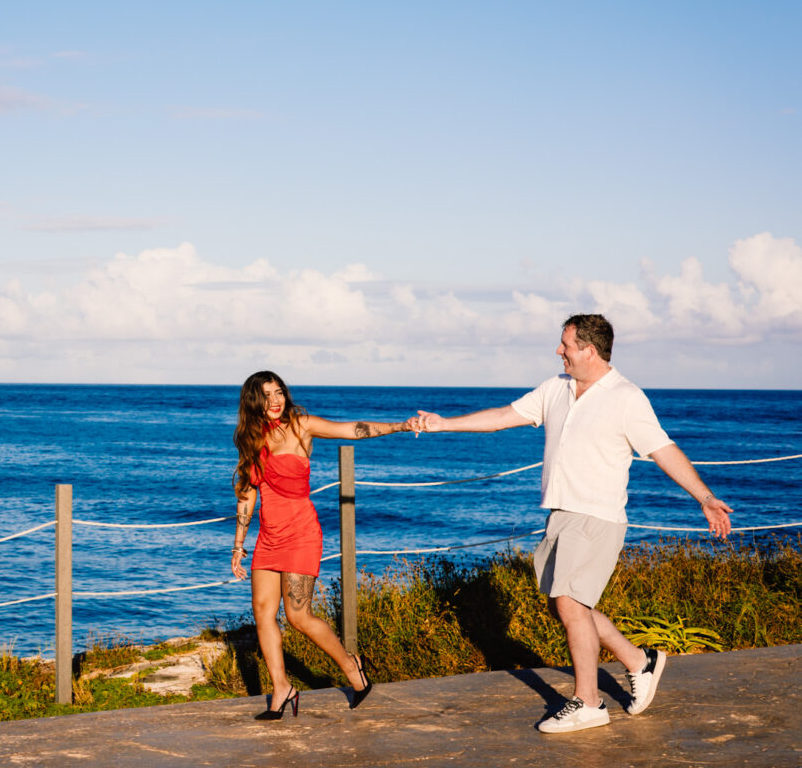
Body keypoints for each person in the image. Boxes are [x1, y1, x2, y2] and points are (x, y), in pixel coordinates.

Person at [414, 313, 733, 734]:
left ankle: (589, 702)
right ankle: (641, 661)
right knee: (562, 604)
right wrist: (444, 424)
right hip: (561, 513)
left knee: (570, 604)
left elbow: (663, 449)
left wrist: (705, 497)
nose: (558, 351)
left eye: (566, 345)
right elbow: (503, 416)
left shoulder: (625, 397)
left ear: (590, 350)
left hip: (597, 516)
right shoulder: (556, 388)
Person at [230, 370, 418, 720]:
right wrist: (238, 544)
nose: (275, 400)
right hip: (268, 536)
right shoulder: (251, 437)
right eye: (267, 395)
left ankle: (352, 667)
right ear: (253, 401)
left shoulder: (302, 425)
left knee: (298, 616)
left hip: (301, 532)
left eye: (279, 392)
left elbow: (352, 429)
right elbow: (248, 492)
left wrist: (401, 426)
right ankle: (281, 688)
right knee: (262, 612)